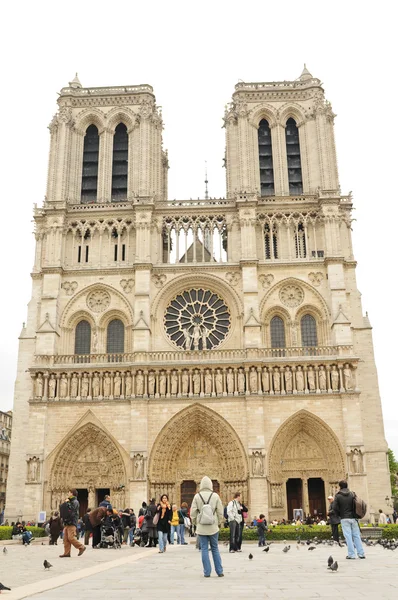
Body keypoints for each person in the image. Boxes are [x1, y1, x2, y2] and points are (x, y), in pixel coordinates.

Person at [190, 475, 224, 578]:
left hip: (201, 528)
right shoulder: (215, 496)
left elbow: (193, 513)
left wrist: (196, 524)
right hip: (213, 527)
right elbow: (220, 512)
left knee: (204, 549)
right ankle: (219, 571)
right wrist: (218, 522)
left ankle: (207, 572)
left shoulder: (197, 496)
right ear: (210, 485)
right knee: (215, 548)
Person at [332, 480, 365, 559]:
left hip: (344, 518)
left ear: (340, 486)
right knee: (356, 535)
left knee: (348, 536)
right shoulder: (352, 494)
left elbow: (334, 507)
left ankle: (351, 554)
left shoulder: (338, 496)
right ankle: (361, 553)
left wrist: (339, 514)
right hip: (354, 517)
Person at [59, 489, 86, 557]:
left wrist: (67, 503)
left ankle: (81, 547)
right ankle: (67, 553)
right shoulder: (70, 501)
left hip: (72, 521)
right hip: (67, 522)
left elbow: (72, 510)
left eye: (69, 492)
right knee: (65, 539)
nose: (68, 493)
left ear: (72, 493)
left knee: (71, 537)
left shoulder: (75, 501)